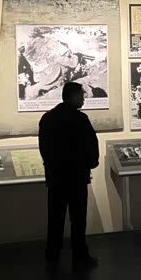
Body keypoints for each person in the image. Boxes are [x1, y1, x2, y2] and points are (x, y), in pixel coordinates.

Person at [38, 82, 99, 269]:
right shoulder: (80, 119)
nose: (84, 99)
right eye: (81, 95)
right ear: (73, 96)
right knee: (78, 219)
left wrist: (51, 167)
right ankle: (79, 255)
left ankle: (52, 253)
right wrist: (91, 163)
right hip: (76, 178)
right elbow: (91, 146)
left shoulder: (47, 118)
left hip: (56, 177)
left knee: (55, 218)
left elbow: (44, 148)